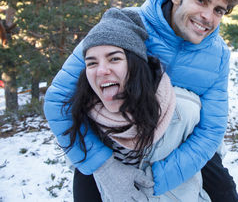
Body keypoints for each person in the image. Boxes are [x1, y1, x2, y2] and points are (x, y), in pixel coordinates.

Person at [44, 0, 238, 201]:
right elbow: (58, 100)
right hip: (113, 142)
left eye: (218, 10)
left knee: (226, 194)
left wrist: (157, 178)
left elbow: (211, 129)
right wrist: (104, 167)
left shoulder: (217, 55)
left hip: (179, 142)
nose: (207, 17)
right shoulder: (123, 25)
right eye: (201, 1)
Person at [63, 11, 210, 201]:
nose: (101, 71)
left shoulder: (184, 109)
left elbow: (215, 175)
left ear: (135, 64)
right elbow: (84, 183)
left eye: (114, 59)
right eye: (92, 63)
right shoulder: (81, 121)